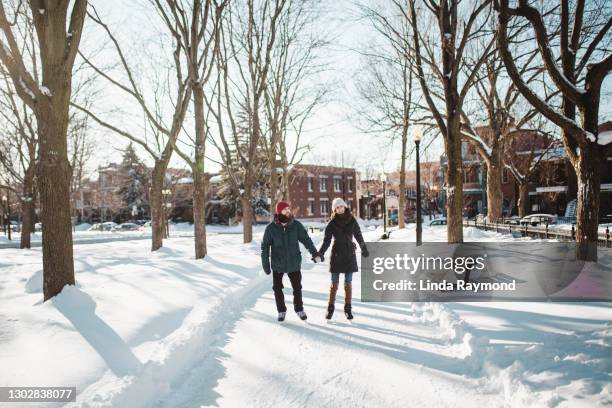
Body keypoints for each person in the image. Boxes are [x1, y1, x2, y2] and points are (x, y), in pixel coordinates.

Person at [261, 201, 320, 322]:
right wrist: (265, 264)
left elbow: (306, 240)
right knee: (277, 288)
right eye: (284, 209)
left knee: (297, 287)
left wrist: (315, 253)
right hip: (278, 263)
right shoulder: (271, 228)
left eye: (288, 208)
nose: (288, 211)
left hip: (294, 262)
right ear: (279, 212)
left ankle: (299, 309)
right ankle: (281, 310)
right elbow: (265, 247)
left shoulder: (296, 225)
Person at [317, 198, 368, 320]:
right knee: (334, 284)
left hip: (349, 254)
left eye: (341, 206)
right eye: (337, 207)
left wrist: (364, 248)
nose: (340, 209)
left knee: (348, 283)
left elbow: (358, 235)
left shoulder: (352, 220)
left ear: (345, 207)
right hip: (337, 255)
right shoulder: (332, 223)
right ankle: (330, 308)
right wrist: (321, 253)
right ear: (334, 210)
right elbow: (326, 241)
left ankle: (348, 308)